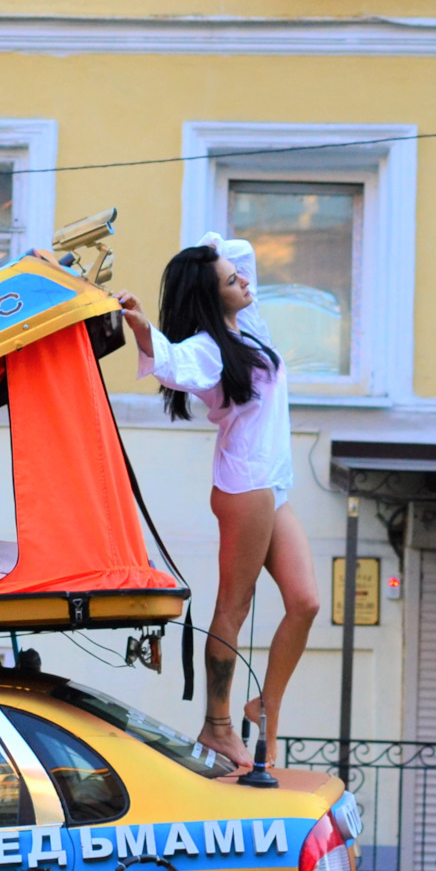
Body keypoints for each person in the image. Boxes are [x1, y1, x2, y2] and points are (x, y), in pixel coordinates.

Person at [117, 236, 320, 779]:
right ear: (214, 299)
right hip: (244, 486)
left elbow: (241, 251)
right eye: (233, 281)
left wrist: (212, 257)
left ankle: (264, 706)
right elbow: (171, 365)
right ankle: (218, 724)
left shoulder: (248, 329)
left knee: (304, 603)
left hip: (272, 483)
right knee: (234, 607)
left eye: (239, 276)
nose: (246, 282)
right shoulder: (209, 347)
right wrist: (140, 325)